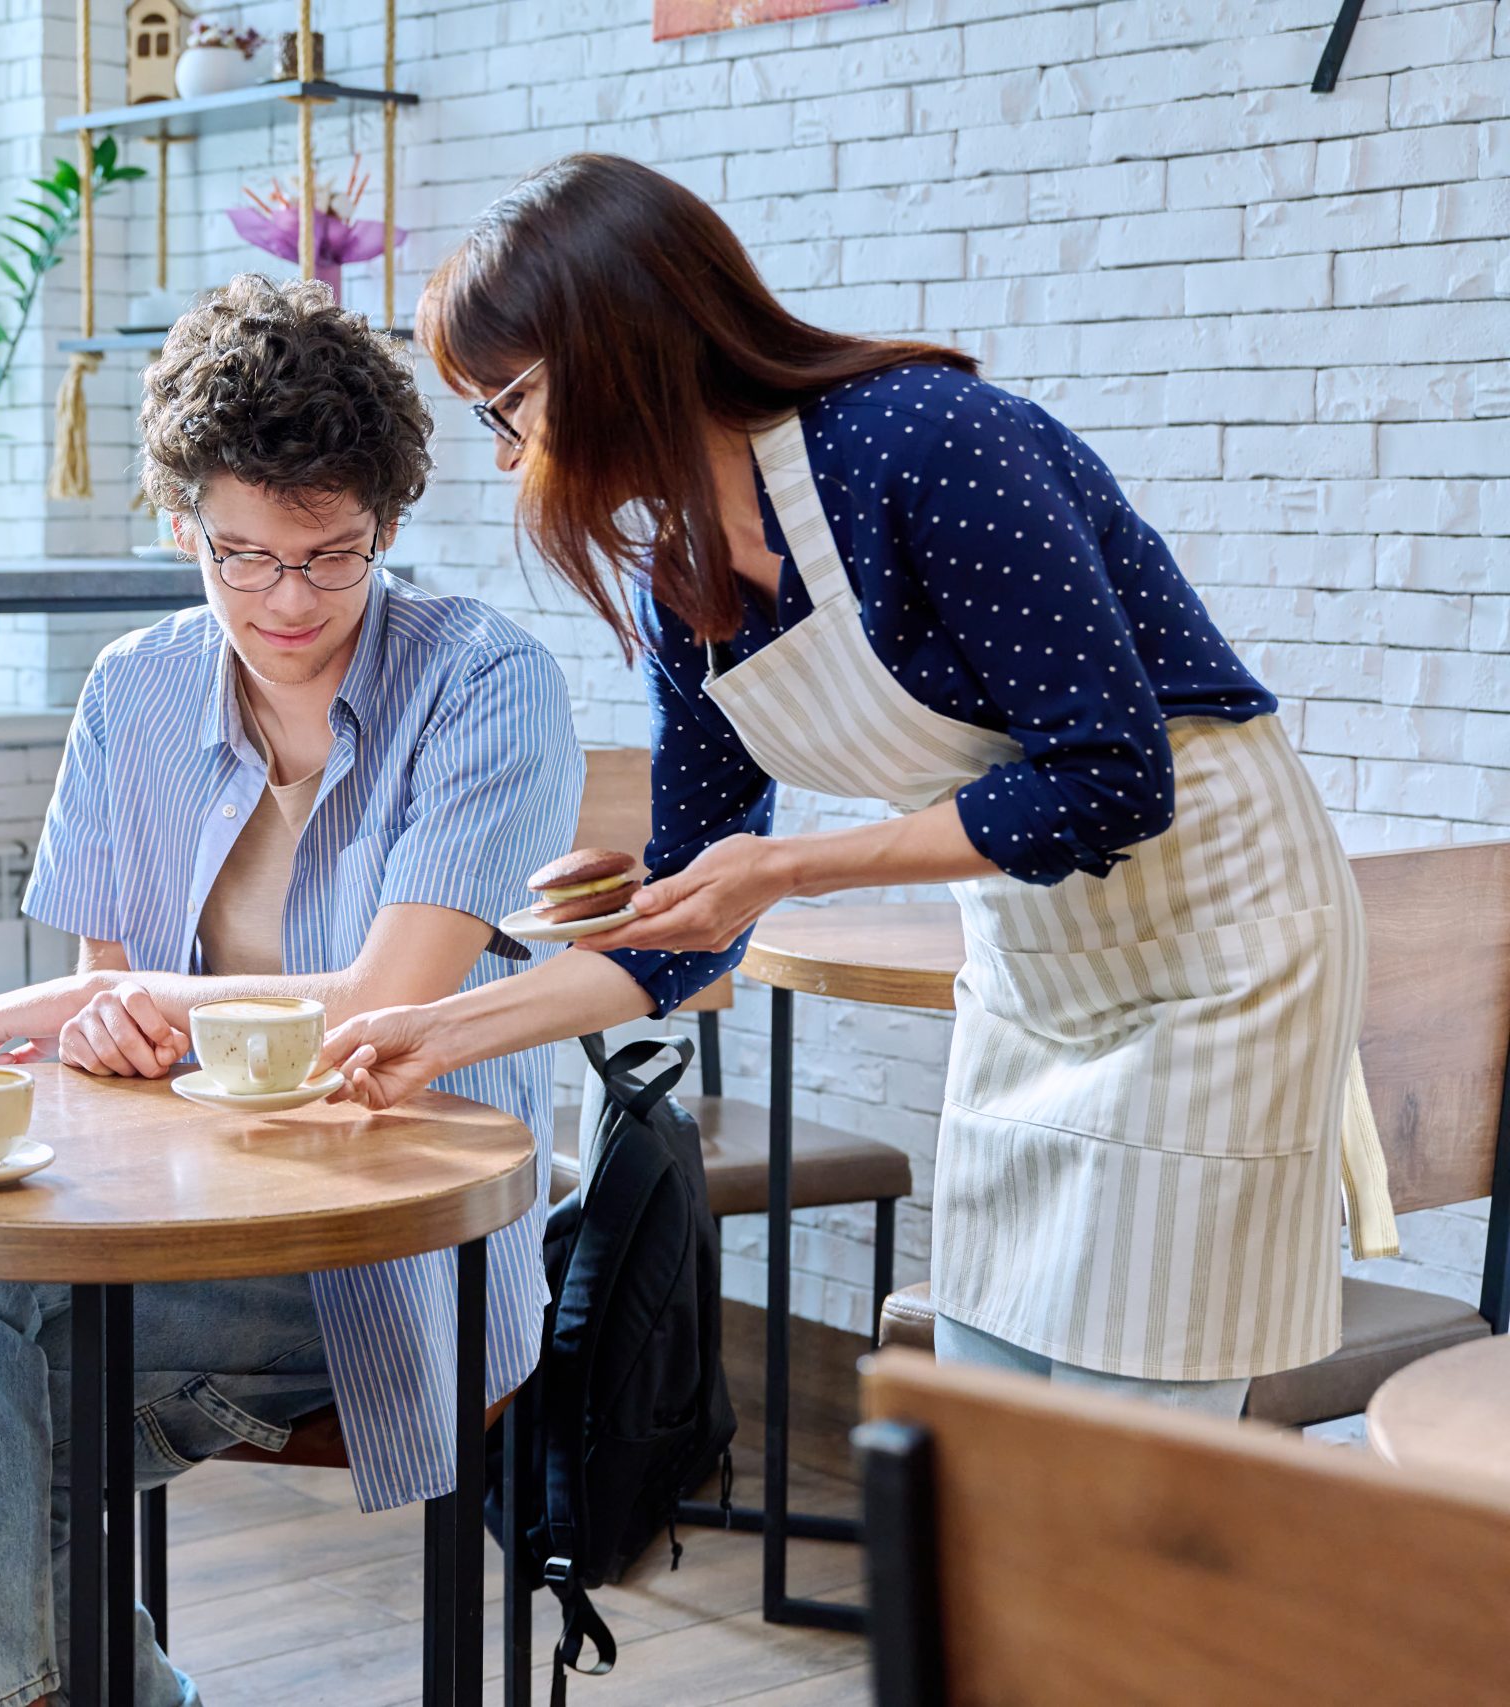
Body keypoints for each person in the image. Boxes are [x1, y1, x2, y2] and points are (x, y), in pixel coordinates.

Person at [317, 154, 1372, 1418]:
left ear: (614, 347)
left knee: (1130, 1437)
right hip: (1038, 966)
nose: (509, 456)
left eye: (508, 405)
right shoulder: (686, 585)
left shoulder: (923, 441)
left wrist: (786, 869)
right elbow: (682, 929)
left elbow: (1110, 777)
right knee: (985, 1407)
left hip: (1218, 941)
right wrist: (438, 1034)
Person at [0, 275, 584, 1706]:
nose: (287, 600)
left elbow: (390, 1003)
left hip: (392, 1242)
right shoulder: (135, 689)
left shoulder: (486, 681)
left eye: (332, 556)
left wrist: (128, 998)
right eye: (243, 556)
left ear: (388, 524)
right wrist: (107, 1015)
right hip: (169, 1217)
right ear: (181, 523)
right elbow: (109, 1018)